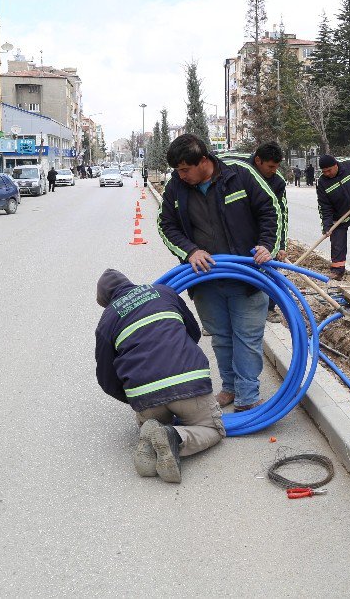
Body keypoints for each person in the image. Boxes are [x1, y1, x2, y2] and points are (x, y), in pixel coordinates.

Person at [158, 134, 282, 412]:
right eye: (178, 170)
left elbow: (270, 210)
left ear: (203, 161)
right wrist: (190, 251)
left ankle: (248, 397)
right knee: (222, 337)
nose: (181, 175)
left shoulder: (239, 175)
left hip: (247, 276)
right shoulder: (176, 187)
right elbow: (166, 225)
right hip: (205, 279)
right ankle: (229, 388)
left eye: (185, 169)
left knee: (247, 338)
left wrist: (267, 245)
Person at [94, 269, 224, 483]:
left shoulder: (107, 319)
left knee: (153, 421)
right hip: (188, 384)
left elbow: (106, 380)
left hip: (146, 397)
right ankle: (174, 437)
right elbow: (193, 331)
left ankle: (150, 437)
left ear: (106, 300)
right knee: (212, 429)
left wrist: (136, 399)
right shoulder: (163, 292)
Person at [232, 142, 288, 323]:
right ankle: (222, 317)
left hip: (265, 231)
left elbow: (281, 213)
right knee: (234, 270)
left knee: (269, 267)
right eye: (271, 166)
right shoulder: (239, 173)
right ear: (258, 161)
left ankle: (269, 308)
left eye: (277, 166)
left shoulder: (277, 182)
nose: (274, 170)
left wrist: (280, 245)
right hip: (240, 230)